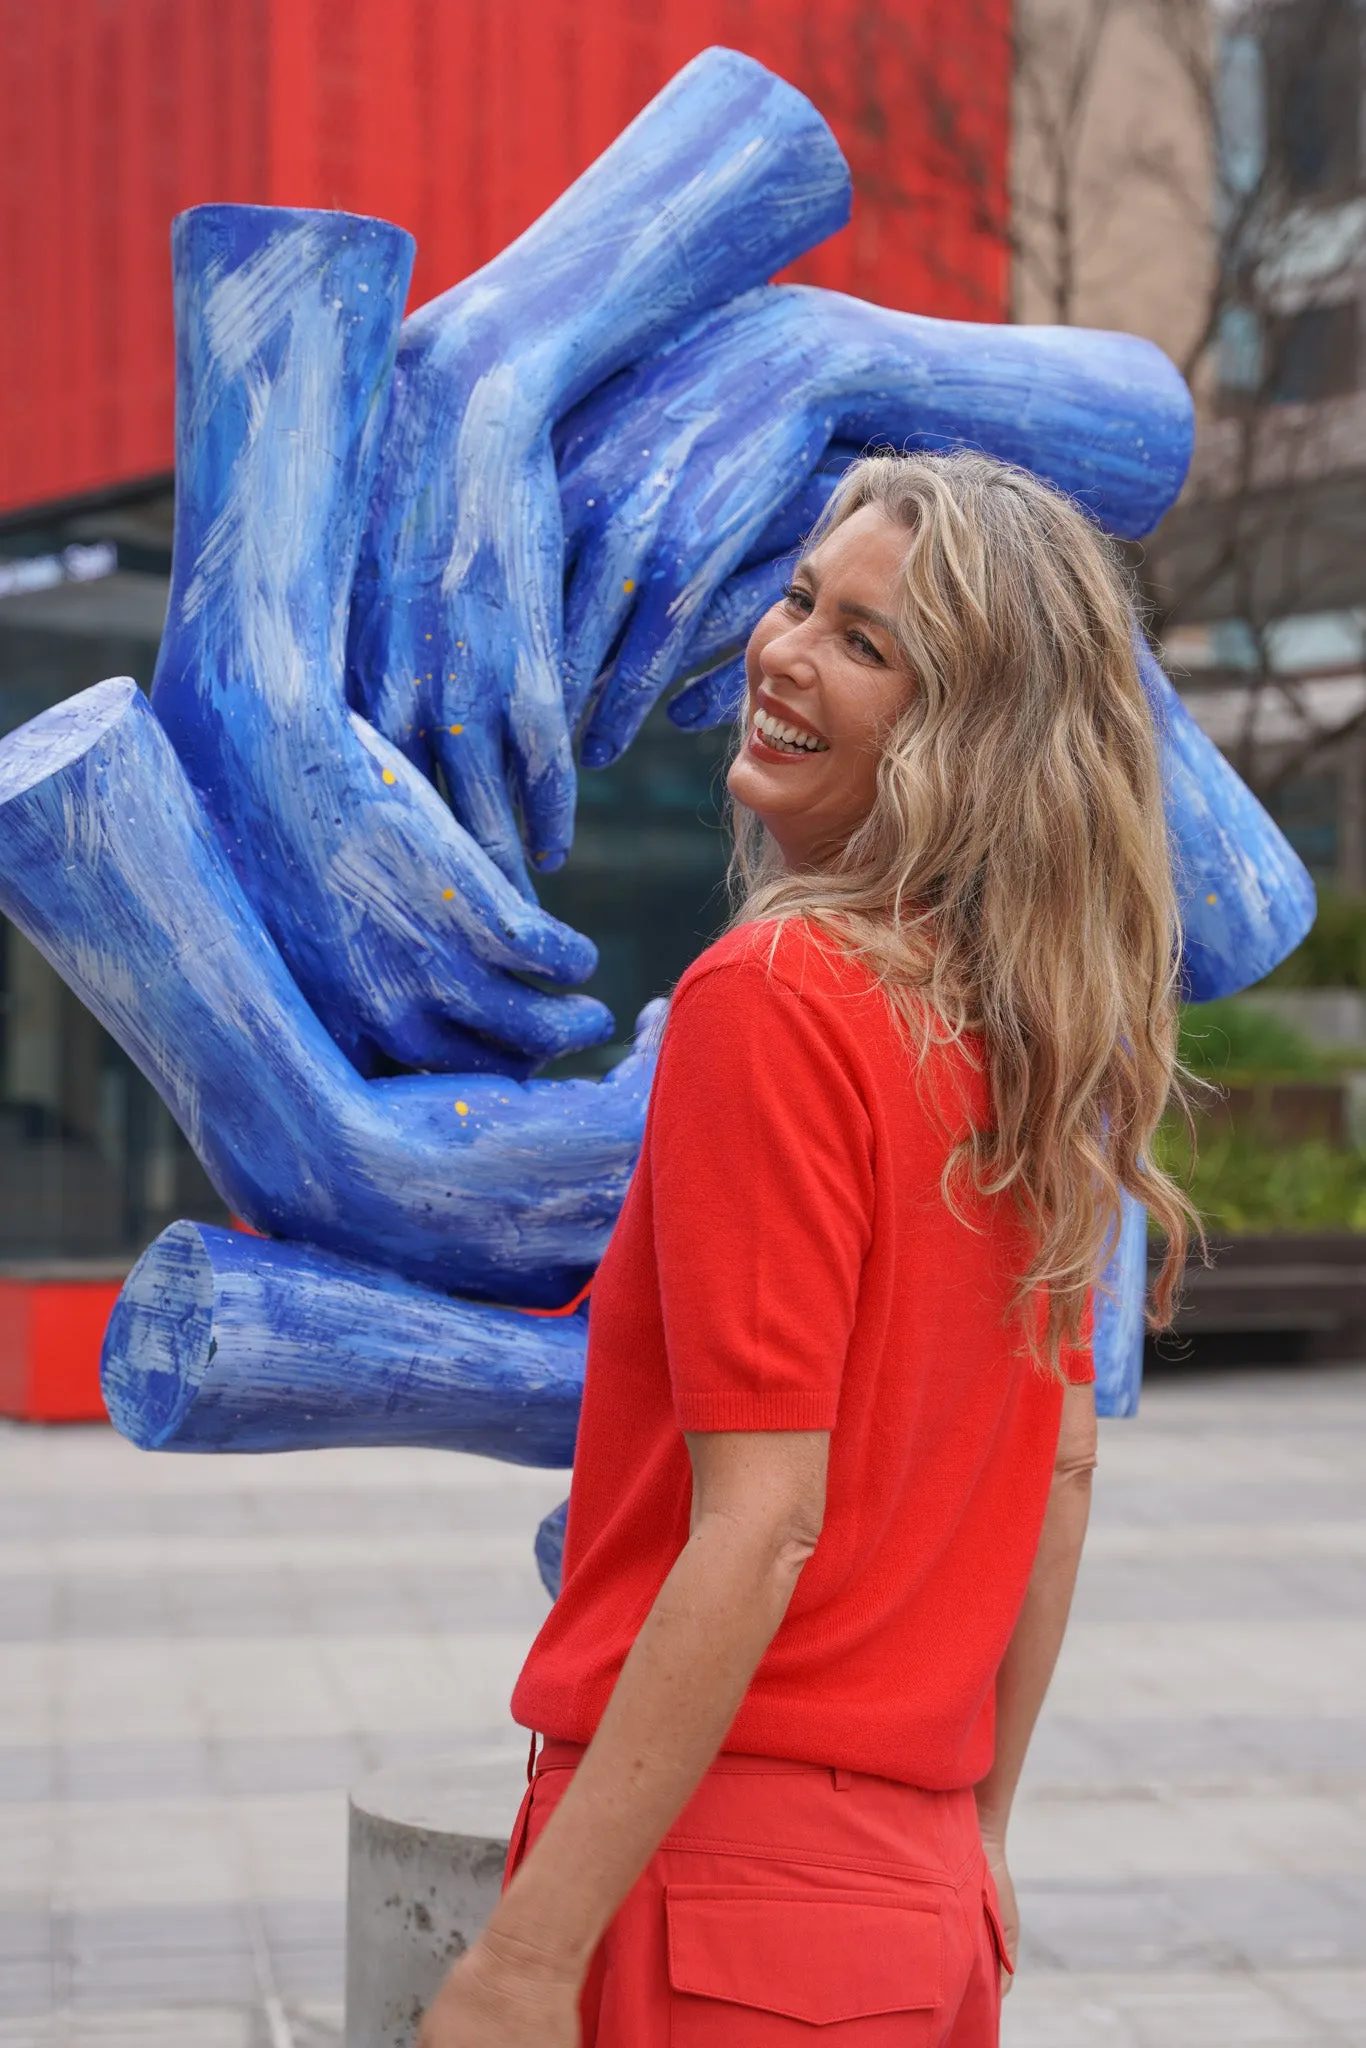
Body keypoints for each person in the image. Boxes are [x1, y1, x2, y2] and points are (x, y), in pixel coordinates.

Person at [418, 450, 1195, 2048]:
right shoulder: (1032, 1042)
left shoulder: (773, 997)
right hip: (916, 1904)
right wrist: (975, 1836)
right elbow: (1058, 1483)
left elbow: (762, 1521)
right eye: (800, 601)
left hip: (711, 1883)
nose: (783, 651)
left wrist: (526, 1958)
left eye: (865, 644)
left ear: (960, 735)